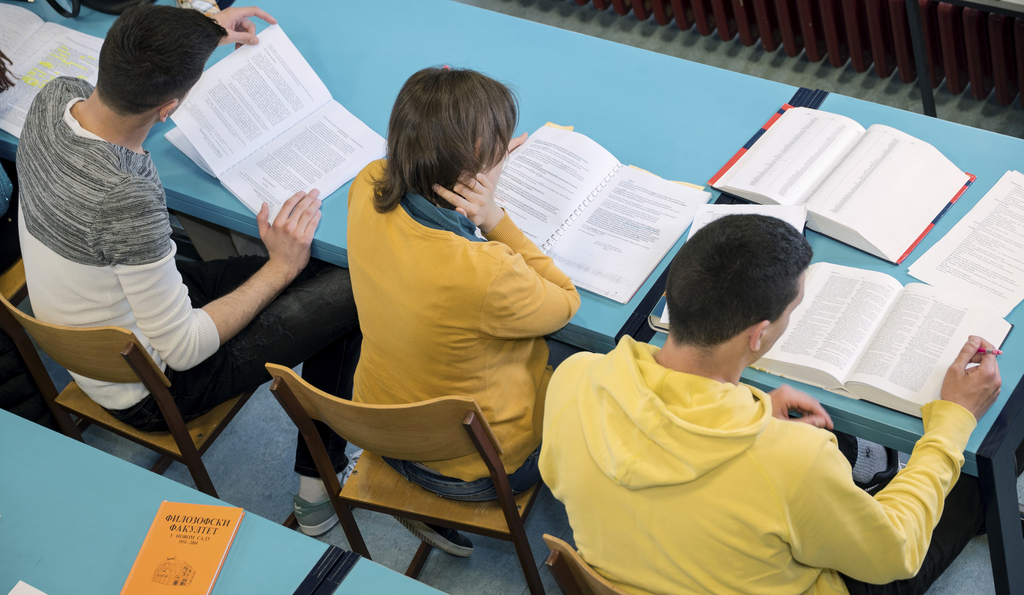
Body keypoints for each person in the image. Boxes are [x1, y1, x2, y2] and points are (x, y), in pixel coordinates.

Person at [16, 4, 361, 536]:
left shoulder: (54, 96)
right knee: (353, 287)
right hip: (154, 386)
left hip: (103, 322)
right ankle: (318, 487)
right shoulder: (126, 195)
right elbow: (184, 348)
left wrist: (198, 36)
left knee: (312, 273)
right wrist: (280, 268)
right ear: (168, 109)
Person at [540, 214, 1001, 595]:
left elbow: (561, 476)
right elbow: (895, 553)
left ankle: (871, 473)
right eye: (792, 311)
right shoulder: (793, 461)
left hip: (646, 572)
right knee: (975, 484)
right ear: (758, 335)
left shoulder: (575, 377)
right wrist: (953, 423)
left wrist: (752, 409)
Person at [346, 66, 581, 557]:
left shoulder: (366, 184)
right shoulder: (483, 271)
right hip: (477, 470)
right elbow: (564, 300)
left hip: (381, 430)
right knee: (587, 366)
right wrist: (494, 217)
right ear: (474, 171)